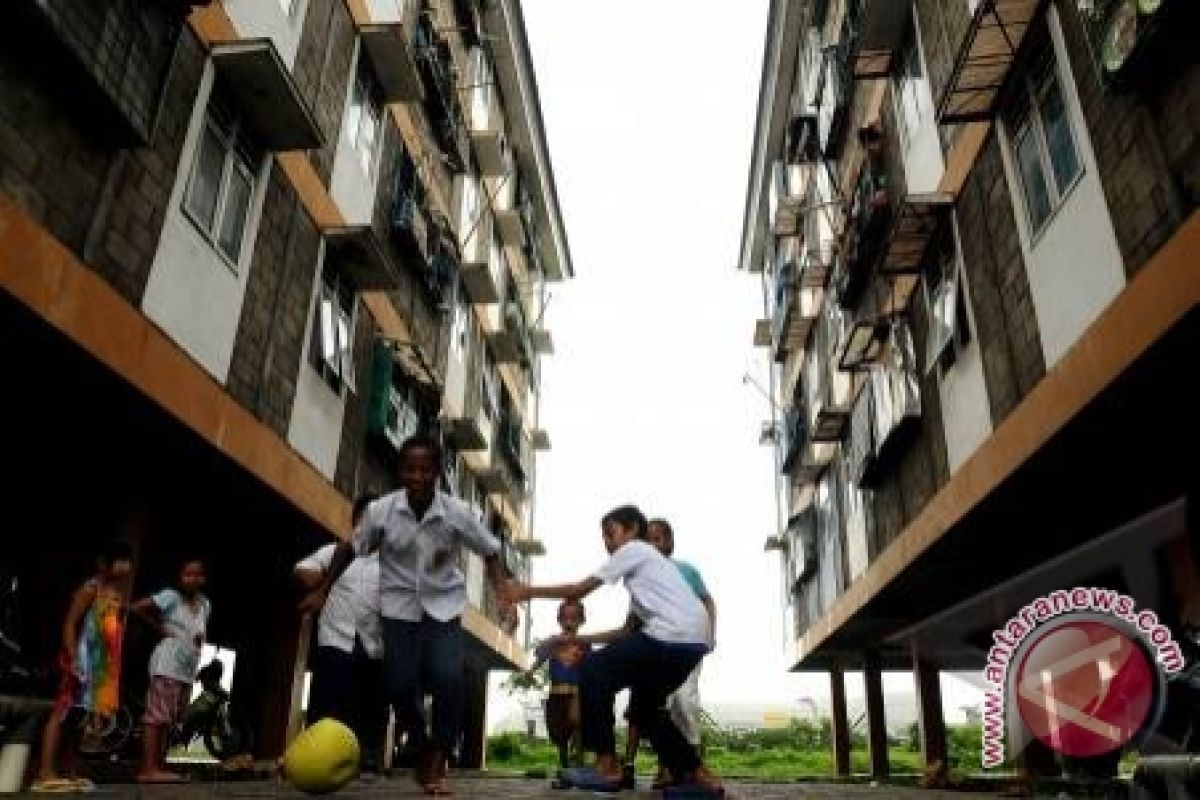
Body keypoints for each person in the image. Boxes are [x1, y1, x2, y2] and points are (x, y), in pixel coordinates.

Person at [299, 434, 511, 796]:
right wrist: (323, 589)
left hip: (443, 607)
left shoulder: (457, 513)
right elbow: (351, 547)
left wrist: (502, 592)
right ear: (400, 472)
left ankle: (438, 760)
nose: (417, 477)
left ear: (437, 473)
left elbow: (491, 551)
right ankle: (424, 742)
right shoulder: (382, 510)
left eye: (425, 469)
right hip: (398, 608)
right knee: (397, 686)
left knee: (448, 678)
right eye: (410, 469)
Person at [500, 505, 723, 797]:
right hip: (692, 643)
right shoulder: (651, 577)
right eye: (603, 537)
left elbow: (577, 589)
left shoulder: (635, 550)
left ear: (632, 531)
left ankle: (607, 765)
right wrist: (576, 641)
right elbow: (625, 634)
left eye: (611, 534)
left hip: (672, 637)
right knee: (644, 709)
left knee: (592, 669)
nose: (607, 543)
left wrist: (525, 592)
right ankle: (696, 774)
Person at [294, 493, 387, 776]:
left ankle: (361, 761)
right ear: (355, 521)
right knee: (329, 701)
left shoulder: (391, 564)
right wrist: (323, 584)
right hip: (336, 638)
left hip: (372, 645)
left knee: (367, 705)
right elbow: (302, 569)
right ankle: (315, 761)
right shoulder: (332, 552)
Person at [32, 541, 133, 794]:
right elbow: (70, 622)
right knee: (63, 712)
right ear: (103, 563)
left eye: (127, 561)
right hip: (82, 660)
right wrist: (73, 657)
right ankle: (45, 772)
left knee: (80, 717)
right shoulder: (91, 588)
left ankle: (70, 771)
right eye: (119, 560)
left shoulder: (115, 593)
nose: (125, 566)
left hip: (101, 667)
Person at [625, 518, 716, 788]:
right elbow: (633, 618)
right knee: (656, 709)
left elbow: (707, 600)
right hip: (655, 650)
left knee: (684, 701)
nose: (652, 545)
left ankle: (694, 763)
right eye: (647, 540)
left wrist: (710, 634)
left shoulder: (687, 570)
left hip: (686, 647)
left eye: (657, 538)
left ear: (669, 542)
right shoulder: (641, 576)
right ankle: (666, 768)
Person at [128, 556, 211, 783]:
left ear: (203, 578)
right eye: (187, 574)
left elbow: (200, 631)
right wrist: (158, 629)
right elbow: (135, 608)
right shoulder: (170, 596)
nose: (192, 579)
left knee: (171, 720)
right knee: (156, 717)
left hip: (186, 668)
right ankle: (147, 769)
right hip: (167, 664)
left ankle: (159, 767)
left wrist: (200, 640)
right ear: (179, 577)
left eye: (197, 574)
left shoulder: (205, 604)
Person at [526, 599, 590, 770]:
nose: (569, 622)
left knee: (577, 725)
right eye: (565, 618)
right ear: (559, 620)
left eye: (574, 618)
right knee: (558, 731)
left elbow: (591, 665)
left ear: (581, 621)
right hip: (556, 694)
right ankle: (564, 765)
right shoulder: (553, 642)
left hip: (576, 694)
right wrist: (531, 671)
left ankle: (579, 763)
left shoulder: (584, 643)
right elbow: (540, 656)